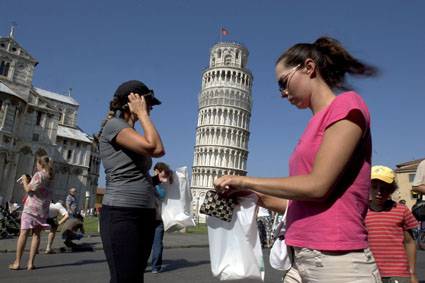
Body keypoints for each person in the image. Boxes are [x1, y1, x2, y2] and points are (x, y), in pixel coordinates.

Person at [214, 37, 380, 282]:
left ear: (309, 68)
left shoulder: (347, 104)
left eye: (284, 82)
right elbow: (298, 203)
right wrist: (252, 196)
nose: (283, 93)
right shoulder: (311, 126)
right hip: (299, 258)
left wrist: (246, 181)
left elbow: (317, 187)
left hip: (337, 259)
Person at [98, 80, 165, 282]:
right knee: (124, 278)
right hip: (122, 213)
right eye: (148, 102)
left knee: (135, 278)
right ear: (132, 102)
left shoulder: (130, 131)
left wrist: (155, 180)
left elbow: (134, 173)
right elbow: (157, 148)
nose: (151, 107)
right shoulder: (114, 126)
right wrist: (143, 114)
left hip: (143, 213)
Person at [365, 165, 418, 283]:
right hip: (369, 271)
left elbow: (409, 242)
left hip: (398, 272)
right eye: (374, 187)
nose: (379, 192)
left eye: (384, 188)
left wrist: (412, 273)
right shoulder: (360, 211)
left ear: (391, 189)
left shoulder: (401, 210)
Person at [9, 155, 53, 270]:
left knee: (23, 233)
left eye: (37, 164)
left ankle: (17, 262)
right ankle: (30, 263)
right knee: (36, 235)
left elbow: (28, 189)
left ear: (41, 164)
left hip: (31, 208)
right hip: (42, 210)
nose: (36, 166)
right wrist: (29, 181)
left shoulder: (38, 175)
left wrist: (24, 180)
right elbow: (39, 189)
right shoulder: (50, 176)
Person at [150, 162, 173, 274]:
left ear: (158, 171)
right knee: (157, 243)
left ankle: (144, 265)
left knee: (145, 243)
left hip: (150, 216)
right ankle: (156, 266)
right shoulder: (167, 185)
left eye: (155, 170)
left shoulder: (152, 183)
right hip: (160, 216)